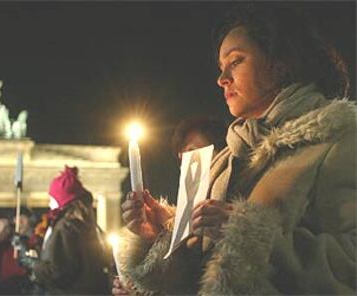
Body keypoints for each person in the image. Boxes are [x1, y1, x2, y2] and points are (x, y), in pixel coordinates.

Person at [117, 4, 356, 295]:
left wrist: (249, 236)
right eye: (221, 68)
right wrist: (162, 231)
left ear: (279, 64)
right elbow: (194, 275)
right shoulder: (223, 161)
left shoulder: (338, 139)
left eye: (236, 61)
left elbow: (349, 262)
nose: (222, 79)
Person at [112, 117, 228, 295]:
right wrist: (161, 234)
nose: (186, 163)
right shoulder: (185, 215)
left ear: (223, 151)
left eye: (193, 151)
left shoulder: (231, 206)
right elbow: (182, 278)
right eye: (182, 157)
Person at [18, 165, 112, 295]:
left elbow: (59, 271)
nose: (49, 203)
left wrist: (33, 264)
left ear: (62, 201)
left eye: (52, 198)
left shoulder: (66, 227)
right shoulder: (87, 225)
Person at [0, 208, 36, 294]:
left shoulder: (37, 240)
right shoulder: (6, 244)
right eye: (16, 219)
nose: (19, 223)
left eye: (22, 219)